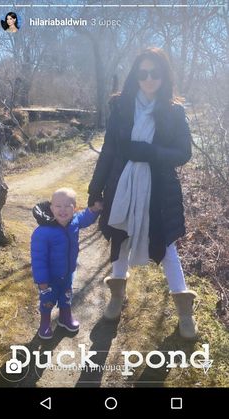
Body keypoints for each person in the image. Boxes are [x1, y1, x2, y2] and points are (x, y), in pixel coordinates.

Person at [88, 47, 198, 339]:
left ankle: (185, 312)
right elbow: (109, 151)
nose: (149, 79)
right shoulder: (121, 107)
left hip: (159, 189)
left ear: (164, 76)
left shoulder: (174, 111)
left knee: (167, 246)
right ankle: (116, 296)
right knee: (120, 237)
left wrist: (151, 153)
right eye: (143, 73)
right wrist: (95, 188)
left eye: (155, 73)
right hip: (121, 184)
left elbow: (183, 152)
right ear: (136, 76)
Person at [31, 187, 102, 339]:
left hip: (68, 273)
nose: (62, 210)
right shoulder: (42, 232)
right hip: (49, 278)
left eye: (67, 205)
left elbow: (85, 217)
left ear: (74, 207)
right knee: (47, 300)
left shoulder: (74, 221)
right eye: (58, 206)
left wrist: (94, 209)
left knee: (66, 297)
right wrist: (42, 281)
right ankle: (44, 323)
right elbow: (38, 259)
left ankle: (65, 317)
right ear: (51, 208)